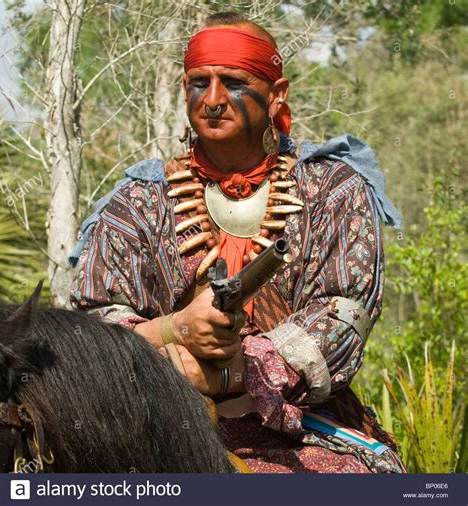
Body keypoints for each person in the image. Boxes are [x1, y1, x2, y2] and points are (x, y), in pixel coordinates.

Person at [69, 12, 405, 473]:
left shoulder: (333, 189)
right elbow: (91, 323)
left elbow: (345, 311)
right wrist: (174, 332)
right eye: (198, 82)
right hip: (165, 422)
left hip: (303, 428)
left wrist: (236, 371)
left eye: (233, 82)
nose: (211, 100)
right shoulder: (139, 200)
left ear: (276, 95)